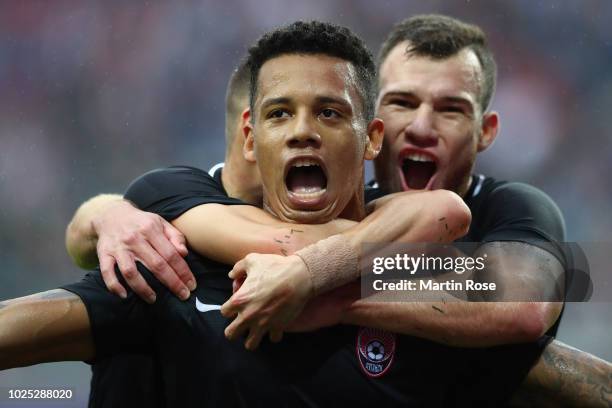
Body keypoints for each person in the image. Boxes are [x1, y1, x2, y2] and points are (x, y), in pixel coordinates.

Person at [64, 17, 610, 406]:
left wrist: (319, 291)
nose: (420, 126)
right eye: (402, 102)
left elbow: (530, 298)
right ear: (371, 123)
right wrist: (108, 212)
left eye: (449, 109)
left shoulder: (508, 206)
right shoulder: (320, 197)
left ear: (485, 131)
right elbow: (183, 196)